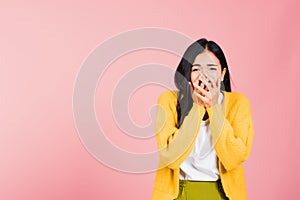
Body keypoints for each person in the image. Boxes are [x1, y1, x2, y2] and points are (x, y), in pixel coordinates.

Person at [151, 38, 254, 200]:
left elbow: (234, 158)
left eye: (212, 68)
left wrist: (213, 108)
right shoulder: (168, 100)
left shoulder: (238, 103)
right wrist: (198, 107)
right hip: (178, 192)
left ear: (222, 74)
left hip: (222, 193)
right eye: (196, 68)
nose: (204, 75)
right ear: (188, 73)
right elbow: (170, 158)